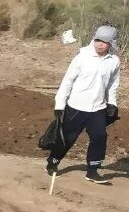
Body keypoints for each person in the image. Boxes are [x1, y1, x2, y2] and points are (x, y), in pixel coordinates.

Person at [47, 25, 120, 185]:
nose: (100, 44)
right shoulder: (82, 57)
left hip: (98, 109)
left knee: (100, 137)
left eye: (105, 41)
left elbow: (113, 85)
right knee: (67, 138)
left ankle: (92, 171)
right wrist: (59, 105)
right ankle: (53, 161)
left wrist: (112, 104)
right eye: (98, 40)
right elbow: (67, 81)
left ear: (112, 43)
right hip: (76, 107)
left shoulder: (114, 61)